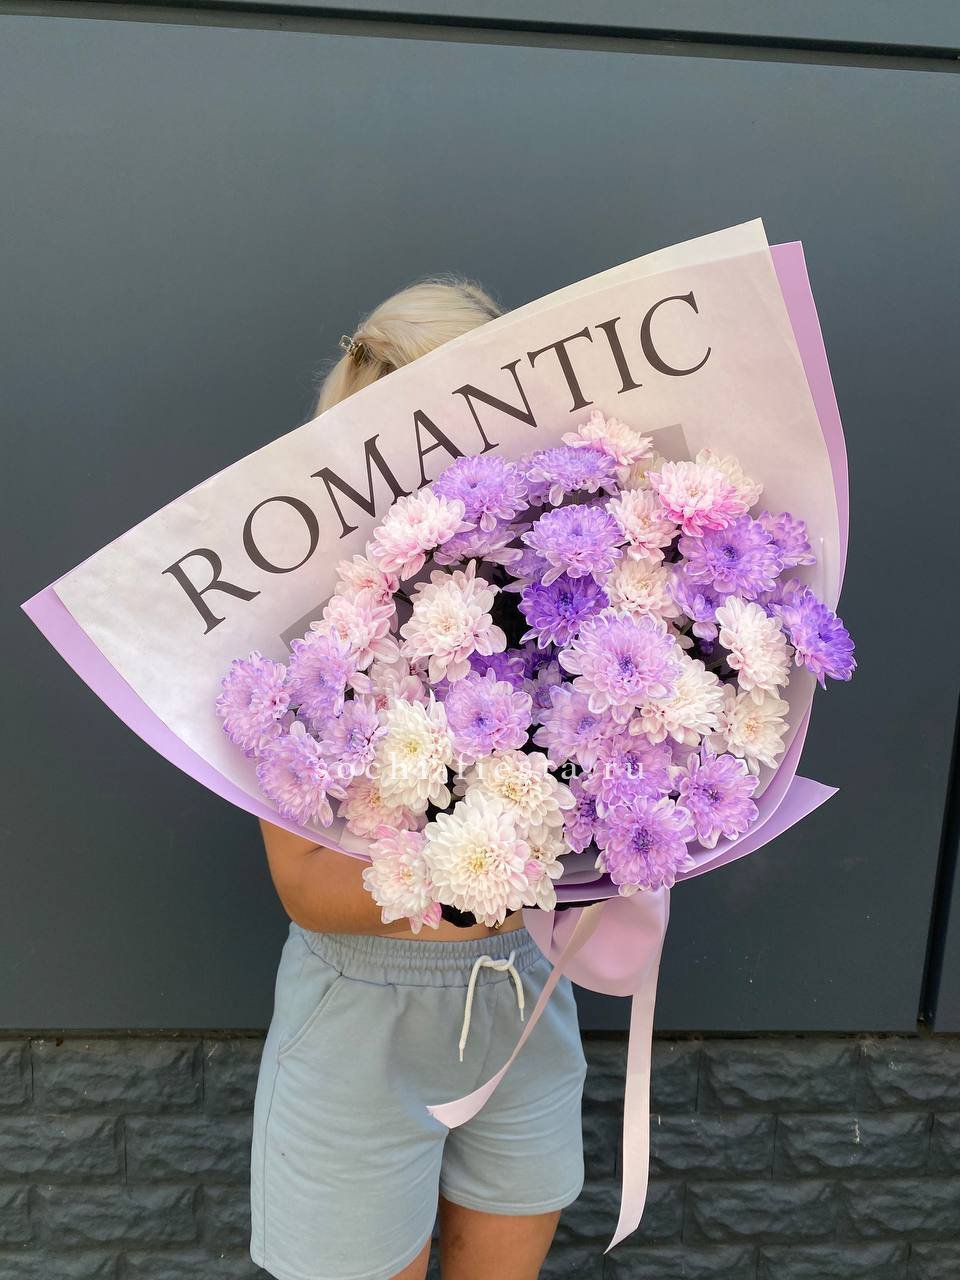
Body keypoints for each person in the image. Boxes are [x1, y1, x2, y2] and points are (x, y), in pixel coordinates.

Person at [249, 275, 588, 1280]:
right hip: (360, 1026)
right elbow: (305, 885)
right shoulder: (301, 624)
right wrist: (486, 871)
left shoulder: (568, 587)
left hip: (519, 999)